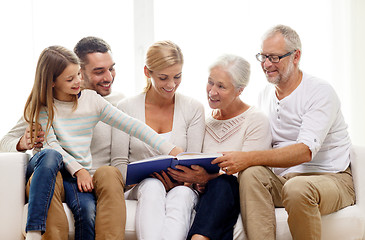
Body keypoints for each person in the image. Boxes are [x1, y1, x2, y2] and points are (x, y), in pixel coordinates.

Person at [5, 45, 182, 240]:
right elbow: (48, 145)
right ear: (53, 82)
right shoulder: (41, 106)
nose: (78, 81)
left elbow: (132, 125)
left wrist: (169, 148)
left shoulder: (93, 100)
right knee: (51, 162)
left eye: (79, 74)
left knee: (106, 177)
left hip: (83, 179)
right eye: (71, 78)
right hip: (56, 174)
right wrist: (22, 143)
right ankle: (40, 233)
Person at [212, 25, 355, 240]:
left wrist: (247, 158)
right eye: (263, 56)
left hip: (331, 178)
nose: (266, 64)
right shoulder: (265, 94)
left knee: (297, 188)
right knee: (251, 174)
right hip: (286, 180)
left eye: (274, 58)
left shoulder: (320, 91)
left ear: (296, 56)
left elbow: (305, 151)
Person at [0, 36, 128, 240]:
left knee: (109, 174)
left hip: (95, 180)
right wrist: (22, 143)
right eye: (98, 71)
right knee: (51, 172)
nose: (108, 77)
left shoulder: (118, 103)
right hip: (61, 176)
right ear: (80, 71)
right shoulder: (48, 104)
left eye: (111, 68)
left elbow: (129, 147)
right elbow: (4, 143)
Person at [167, 54, 272, 240]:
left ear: (239, 90)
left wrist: (208, 177)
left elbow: (248, 176)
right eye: (210, 82)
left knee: (224, 183)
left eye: (221, 86)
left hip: (233, 194)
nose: (212, 91)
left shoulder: (255, 120)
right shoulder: (203, 122)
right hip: (206, 198)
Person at [110, 40, 206, 240]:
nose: (171, 84)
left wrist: (183, 182)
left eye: (177, 77)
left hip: (183, 186)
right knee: (153, 187)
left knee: (180, 196)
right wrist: (149, 177)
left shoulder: (193, 108)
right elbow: (118, 165)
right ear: (147, 72)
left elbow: (195, 160)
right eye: (163, 78)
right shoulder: (125, 108)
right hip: (139, 188)